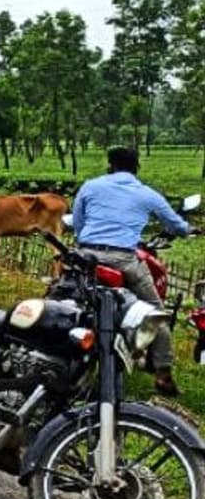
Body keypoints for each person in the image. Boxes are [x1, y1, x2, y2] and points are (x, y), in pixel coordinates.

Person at [72, 146, 192, 395]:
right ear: (137, 167)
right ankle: (162, 373)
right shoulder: (146, 193)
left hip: (85, 256)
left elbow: (79, 221)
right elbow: (175, 224)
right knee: (156, 313)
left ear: (110, 164)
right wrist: (188, 230)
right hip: (123, 259)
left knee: (61, 293)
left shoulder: (90, 186)